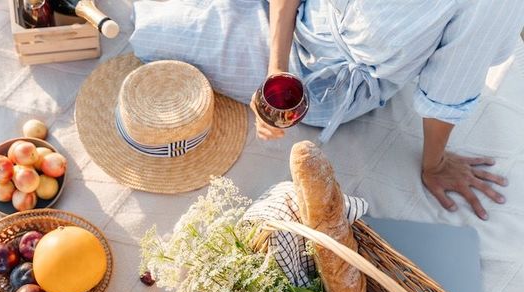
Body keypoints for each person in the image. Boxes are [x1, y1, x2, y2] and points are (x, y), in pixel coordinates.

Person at [130, 0, 524, 220]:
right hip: (291, 23)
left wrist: (434, 164)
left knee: (150, 31)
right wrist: (275, 70)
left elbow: (449, 87)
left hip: (320, 74)